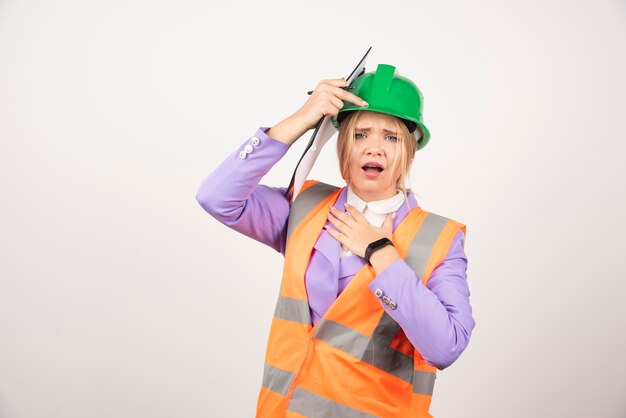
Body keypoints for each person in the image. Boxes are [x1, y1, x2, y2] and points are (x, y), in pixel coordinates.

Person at [196, 64, 475, 418]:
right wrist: (302, 118)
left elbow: (445, 347)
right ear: (342, 143)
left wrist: (380, 252)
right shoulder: (305, 207)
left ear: (409, 150)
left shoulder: (439, 238)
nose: (374, 148)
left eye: (390, 137)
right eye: (360, 135)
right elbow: (217, 197)